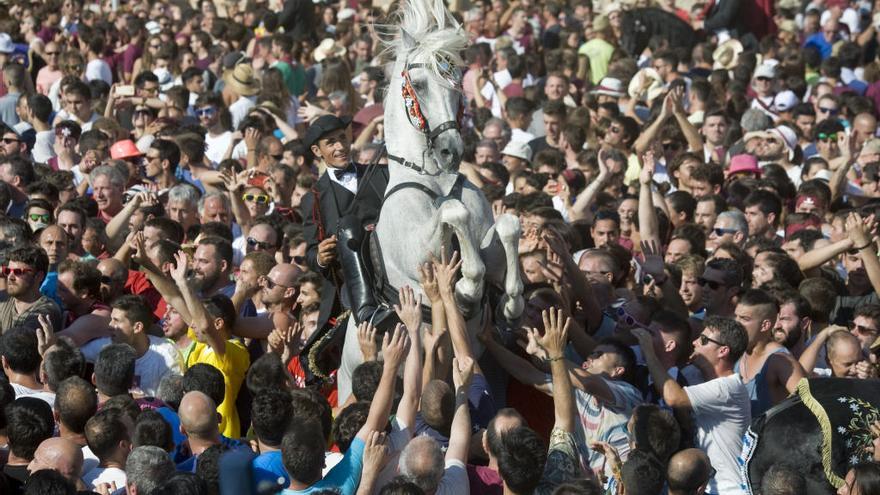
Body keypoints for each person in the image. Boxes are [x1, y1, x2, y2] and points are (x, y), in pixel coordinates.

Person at [633, 316, 751, 495]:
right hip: (707, 487)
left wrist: (649, 351)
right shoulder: (703, 379)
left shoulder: (728, 387)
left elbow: (673, 397)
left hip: (728, 489)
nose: (695, 342)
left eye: (703, 340)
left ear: (723, 351)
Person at [0, 245, 63, 333]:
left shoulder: (47, 310)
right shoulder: (3, 300)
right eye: (7, 271)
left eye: (18, 272)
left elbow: (18, 343)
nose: (10, 277)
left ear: (39, 276)